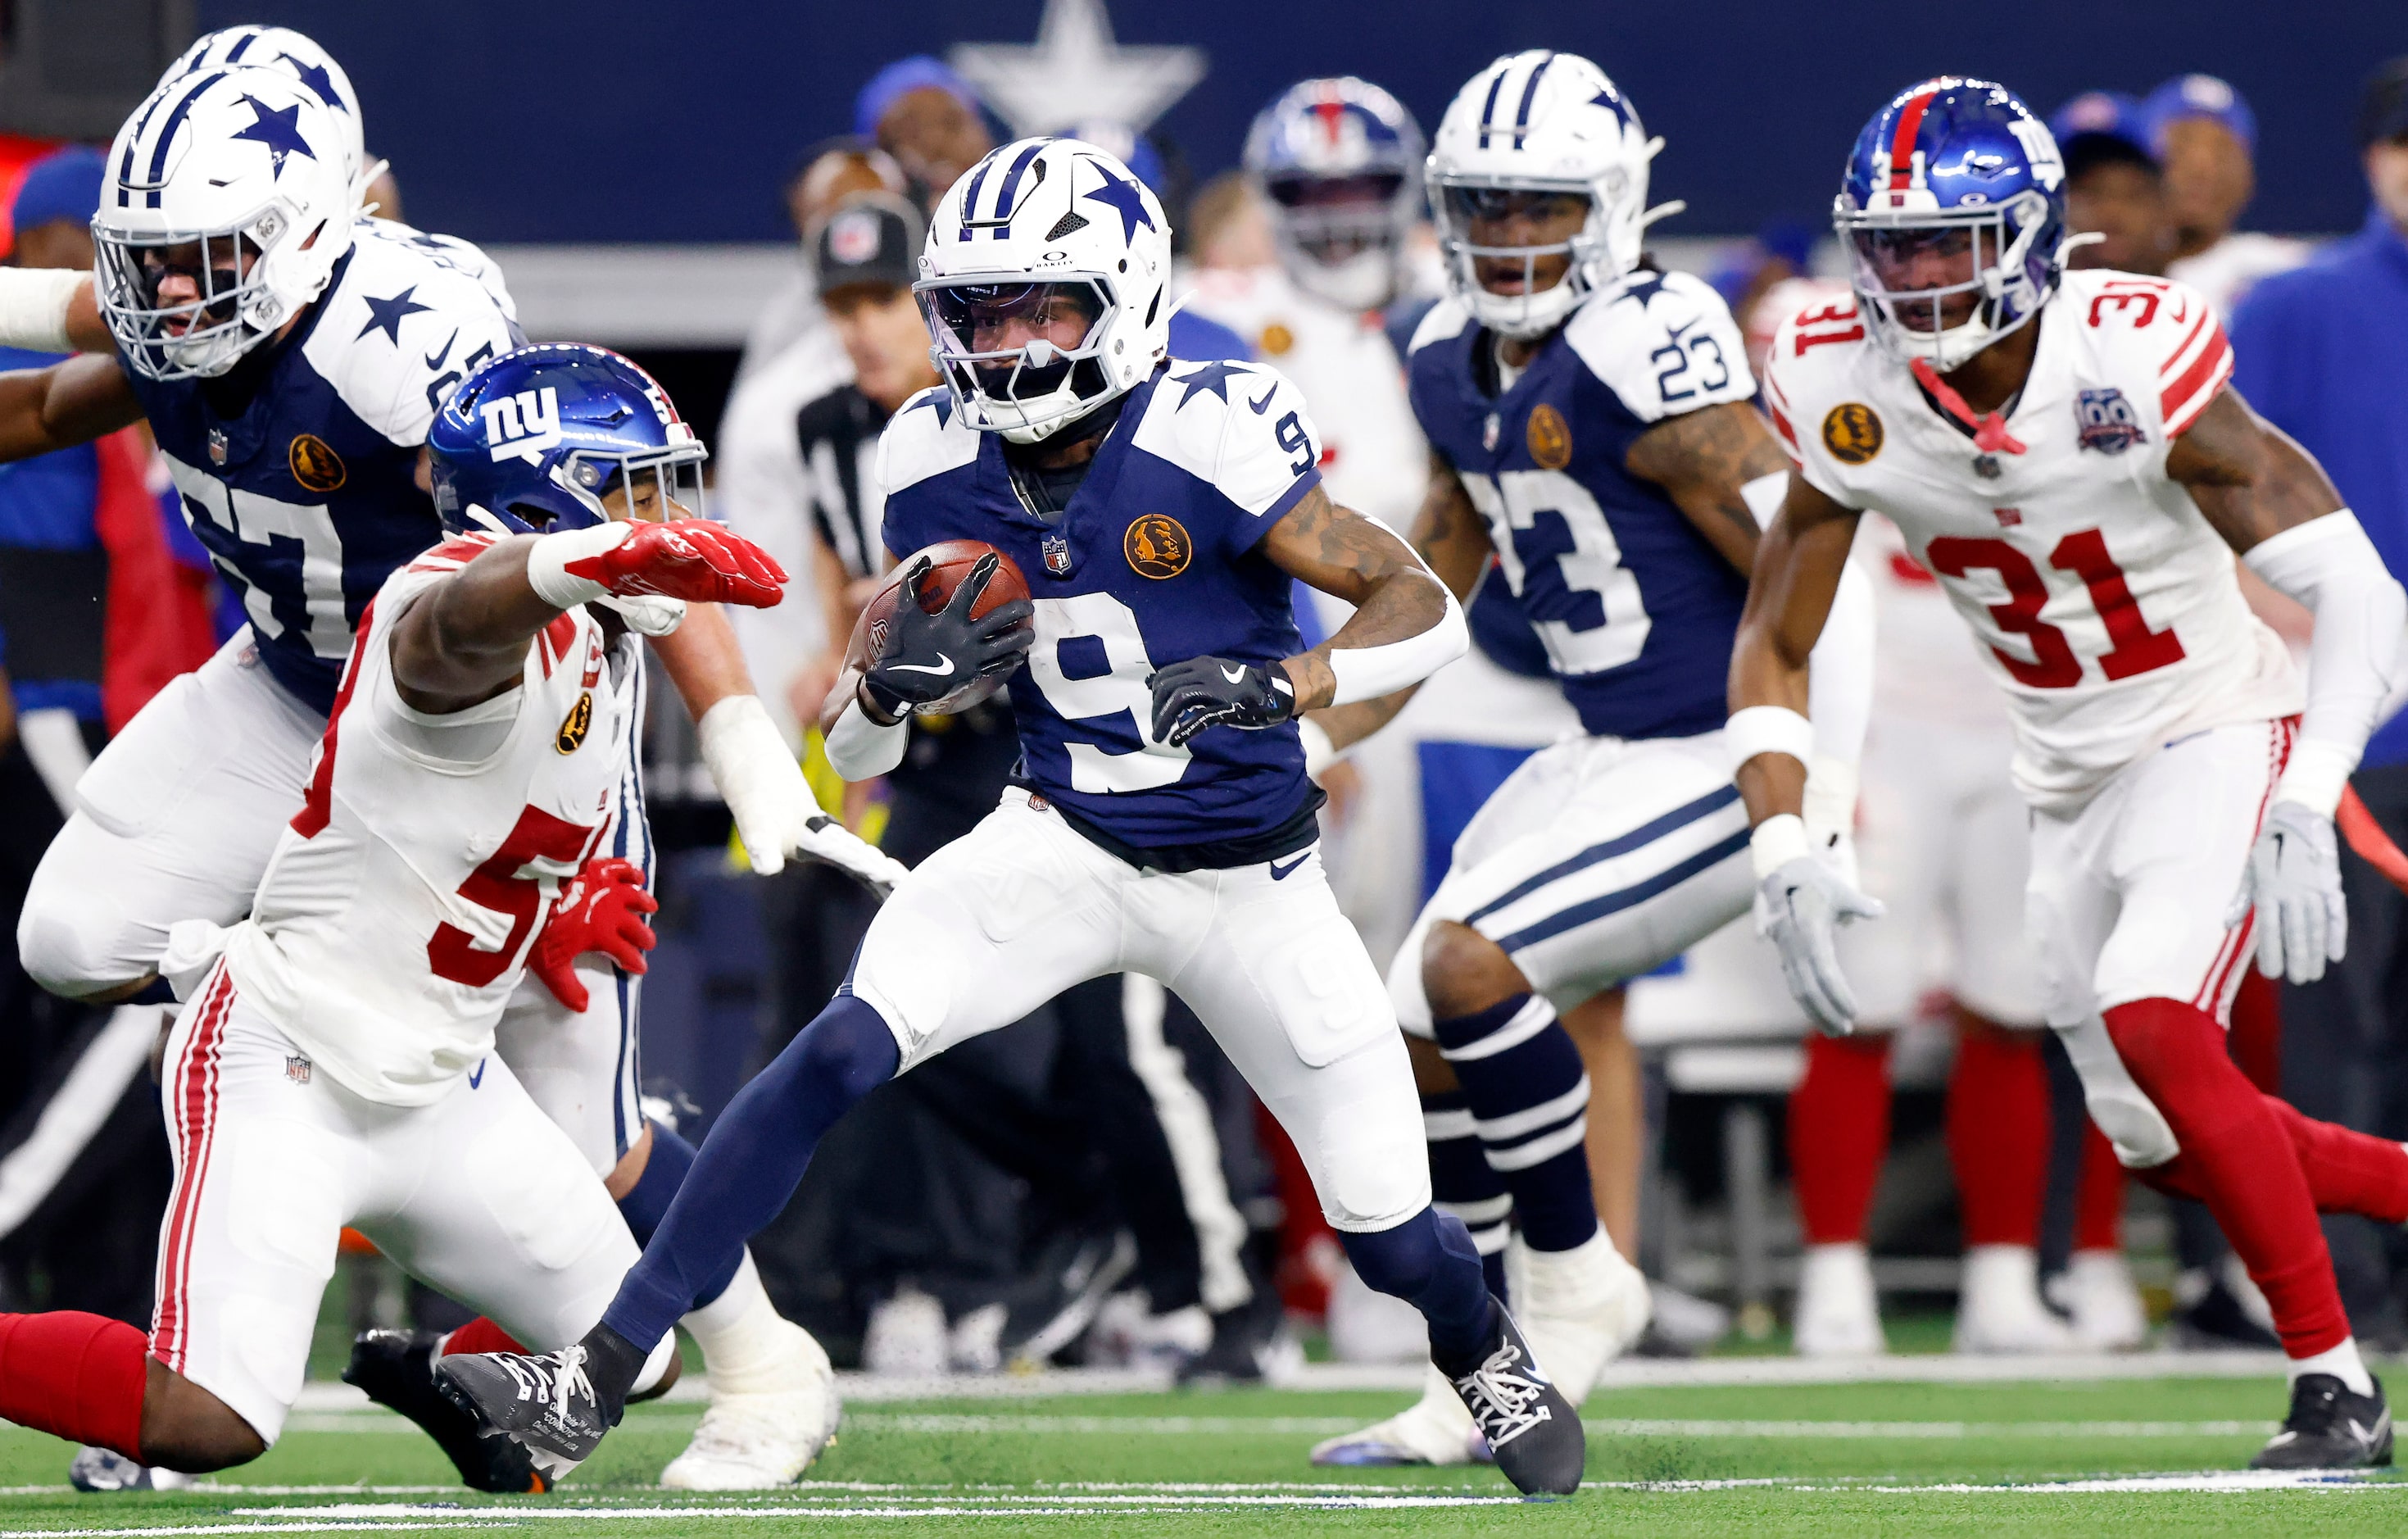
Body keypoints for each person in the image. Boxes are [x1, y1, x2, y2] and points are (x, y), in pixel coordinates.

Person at [435, 137, 1587, 1500]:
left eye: (1039, 306)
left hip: (1249, 882)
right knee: (831, 1053)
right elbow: (867, 735)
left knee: (1393, 1235)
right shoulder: (925, 447)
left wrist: (1283, 680)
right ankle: (601, 1367)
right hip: (1058, 839)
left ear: (1126, 296)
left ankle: (1482, 1345)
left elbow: (1420, 604)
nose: (1004, 342)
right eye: (977, 311)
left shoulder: (1210, 422)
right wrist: (881, 683)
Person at [0, 60, 887, 1490]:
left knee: (589, 1142)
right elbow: (54, 366)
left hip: (477, 745)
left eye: (205, 259)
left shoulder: (401, 347)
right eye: (150, 263)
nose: (173, 293)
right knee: (69, 937)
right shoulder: (188, 301)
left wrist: (726, 726)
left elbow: (613, 525)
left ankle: (748, 1359)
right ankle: (310, 1016)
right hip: (294, 685)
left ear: (306, 230)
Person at [1738, 75, 2408, 1469]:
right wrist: (1781, 831)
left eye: (1949, 242)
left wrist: (2302, 792)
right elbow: (1776, 633)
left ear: (2032, 238)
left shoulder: (2125, 354)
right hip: (2061, 768)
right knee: (2164, 1136)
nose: (1914, 278)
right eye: (1890, 245)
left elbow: (2365, 600)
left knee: (2154, 1021)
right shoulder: (1836, 382)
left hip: (2210, 721)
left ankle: (2333, 1386)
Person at [1304, 51, 1874, 1467]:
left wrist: (1811, 810)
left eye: (1537, 207)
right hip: (1600, 743)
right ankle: (1482, 1363)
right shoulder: (1443, 354)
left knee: (1472, 961)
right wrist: (1304, 726)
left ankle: (1576, 1286)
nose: (1507, 238)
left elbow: (1817, 579)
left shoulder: (1649, 340)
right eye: (1483, 208)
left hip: (1708, 751)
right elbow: (1427, 592)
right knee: (1414, 1038)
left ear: (1612, 205)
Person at [730, 188, 1271, 1379]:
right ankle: (1070, 1203)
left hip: (1043, 734)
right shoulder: (842, 430)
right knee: (873, 1000)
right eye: (844, 306)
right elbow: (856, 592)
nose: (866, 327)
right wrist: (867, 674)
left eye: (882, 300)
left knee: (1116, 1028)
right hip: (927, 741)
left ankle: (1215, 1288)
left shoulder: (1037, 407)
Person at [2228, 56, 2408, 1347]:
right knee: (2332, 1024)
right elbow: (2205, 497)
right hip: (2347, 737)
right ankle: (2344, 1299)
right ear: (2369, 160)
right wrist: (2299, 643)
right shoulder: (2289, 307)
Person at [2146, 74, 2311, 318]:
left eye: (2222, 155)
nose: (2201, 169)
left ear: (2249, 180)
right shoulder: (2092, 275)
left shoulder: (2286, 275)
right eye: (2181, 147)